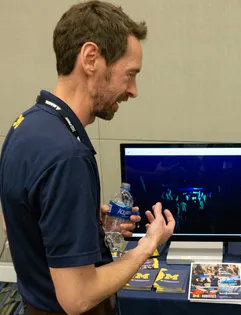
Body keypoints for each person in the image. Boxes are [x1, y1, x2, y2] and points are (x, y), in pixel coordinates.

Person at [0, 1, 175, 314]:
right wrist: (149, 243)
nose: (133, 91)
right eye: (130, 74)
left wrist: (86, 222)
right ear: (91, 58)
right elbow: (77, 297)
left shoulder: (27, 124)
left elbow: (21, 217)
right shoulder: (68, 155)